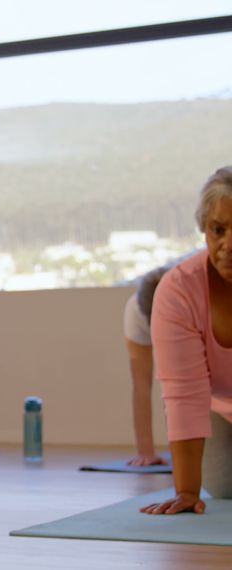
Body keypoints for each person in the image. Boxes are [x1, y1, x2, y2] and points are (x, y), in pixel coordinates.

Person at [143, 166, 232, 516]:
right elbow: (184, 394)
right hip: (220, 410)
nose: (228, 245)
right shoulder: (179, 290)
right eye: (218, 230)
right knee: (224, 487)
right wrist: (186, 491)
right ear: (204, 230)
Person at [122, 253, 196, 467]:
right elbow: (141, 388)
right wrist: (146, 452)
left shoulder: (192, 303)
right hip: (147, 317)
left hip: (186, 320)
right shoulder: (136, 314)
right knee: (145, 382)